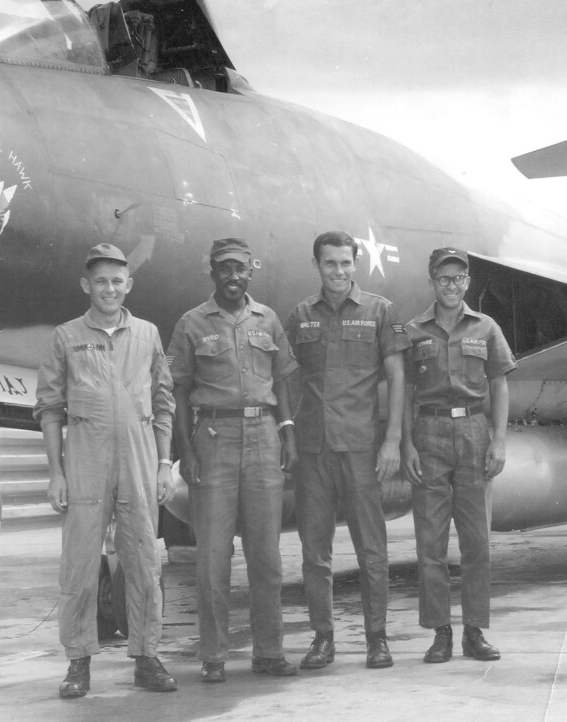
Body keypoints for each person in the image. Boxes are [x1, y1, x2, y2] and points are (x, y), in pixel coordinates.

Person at [33, 242, 178, 699]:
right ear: (86, 285)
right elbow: (49, 409)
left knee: (144, 564)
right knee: (78, 566)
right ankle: (78, 662)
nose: (109, 289)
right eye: (101, 281)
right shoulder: (65, 337)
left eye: (117, 281)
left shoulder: (148, 335)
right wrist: (56, 472)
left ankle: (146, 657)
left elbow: (164, 403)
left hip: (138, 461)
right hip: (86, 463)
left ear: (129, 284)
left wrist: (163, 464)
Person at [167, 237, 299, 683]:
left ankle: (269, 652)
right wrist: (185, 451)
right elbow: (179, 391)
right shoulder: (191, 323)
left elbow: (282, 380)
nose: (233, 276)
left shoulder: (268, 320)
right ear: (213, 272)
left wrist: (287, 432)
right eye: (225, 268)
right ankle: (213, 656)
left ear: (250, 272)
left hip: (264, 437)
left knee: (266, 555)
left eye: (240, 269)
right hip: (214, 438)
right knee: (212, 557)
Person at [286, 230, 409, 670]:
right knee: (314, 552)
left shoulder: (380, 311)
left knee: (371, 549)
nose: (337, 272)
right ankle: (323, 639)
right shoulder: (301, 315)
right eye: (329, 263)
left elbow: (397, 377)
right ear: (317, 265)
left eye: (344, 263)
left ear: (355, 263)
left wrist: (392, 440)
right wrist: (288, 436)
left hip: (360, 448)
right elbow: (288, 377)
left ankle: (377, 638)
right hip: (313, 450)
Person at [401, 247, 516, 663]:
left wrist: (499, 440)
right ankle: (440, 633)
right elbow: (405, 391)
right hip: (429, 434)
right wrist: (406, 443)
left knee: (476, 541)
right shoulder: (414, 331)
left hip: (473, 432)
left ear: (467, 282)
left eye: (458, 278)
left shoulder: (486, 327)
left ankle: (474, 632)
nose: (451, 285)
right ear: (432, 281)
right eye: (443, 278)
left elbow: (499, 383)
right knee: (430, 543)